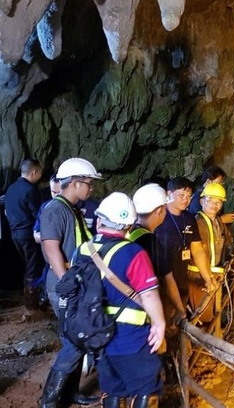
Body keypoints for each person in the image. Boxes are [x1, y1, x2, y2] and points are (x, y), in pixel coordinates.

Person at [78, 192, 166, 408]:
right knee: (146, 388)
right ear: (128, 227)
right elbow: (148, 294)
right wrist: (159, 323)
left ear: (99, 221)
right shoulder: (133, 252)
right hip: (131, 337)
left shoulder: (81, 251)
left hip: (97, 335)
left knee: (113, 388)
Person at [39, 158, 102, 408]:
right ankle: (50, 400)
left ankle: (70, 393)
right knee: (75, 340)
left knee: (77, 339)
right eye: (89, 183)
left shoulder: (71, 209)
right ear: (75, 183)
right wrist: (67, 281)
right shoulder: (55, 209)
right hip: (65, 286)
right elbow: (51, 246)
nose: (91, 188)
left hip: (76, 283)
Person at [131, 183, 186, 326]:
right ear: (158, 211)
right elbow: (168, 280)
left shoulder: (129, 233)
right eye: (165, 209)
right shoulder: (151, 241)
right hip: (146, 312)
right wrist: (180, 309)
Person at [155, 177, 208, 309]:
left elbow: (197, 250)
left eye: (189, 196)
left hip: (181, 278)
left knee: (178, 321)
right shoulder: (157, 217)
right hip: (160, 282)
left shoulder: (189, 219)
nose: (186, 199)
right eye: (181, 195)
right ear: (168, 194)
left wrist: (208, 278)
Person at [188, 182, 233, 331]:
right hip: (200, 275)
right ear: (202, 201)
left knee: (212, 311)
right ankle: (199, 350)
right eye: (210, 200)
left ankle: (208, 344)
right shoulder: (198, 222)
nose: (214, 205)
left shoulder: (217, 222)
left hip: (212, 273)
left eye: (218, 202)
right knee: (203, 315)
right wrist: (208, 277)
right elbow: (199, 251)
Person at [4, 159, 44, 309]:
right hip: (28, 234)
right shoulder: (30, 190)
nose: (40, 175)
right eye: (40, 172)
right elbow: (37, 214)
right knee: (33, 267)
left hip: (15, 234)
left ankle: (29, 299)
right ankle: (32, 305)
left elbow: (7, 212)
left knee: (27, 266)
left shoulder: (11, 189)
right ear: (34, 172)